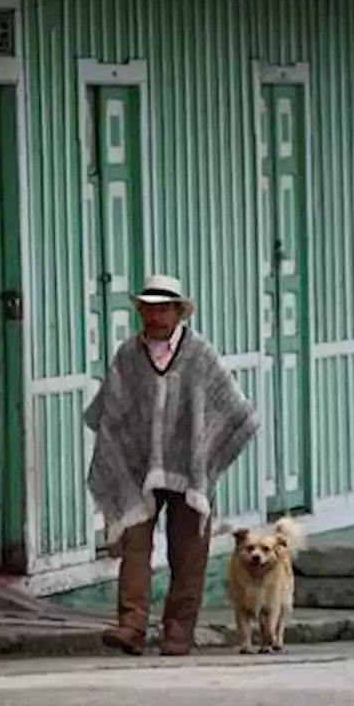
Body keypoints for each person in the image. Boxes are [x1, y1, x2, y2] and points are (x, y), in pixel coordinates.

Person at [83, 274, 261, 656]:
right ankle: (131, 625)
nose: (155, 316)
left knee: (189, 552)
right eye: (148, 308)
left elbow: (234, 410)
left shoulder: (200, 354)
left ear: (179, 312)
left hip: (189, 467)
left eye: (163, 308)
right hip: (137, 467)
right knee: (134, 544)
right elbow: (112, 411)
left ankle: (178, 632)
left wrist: (205, 451)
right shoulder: (128, 355)